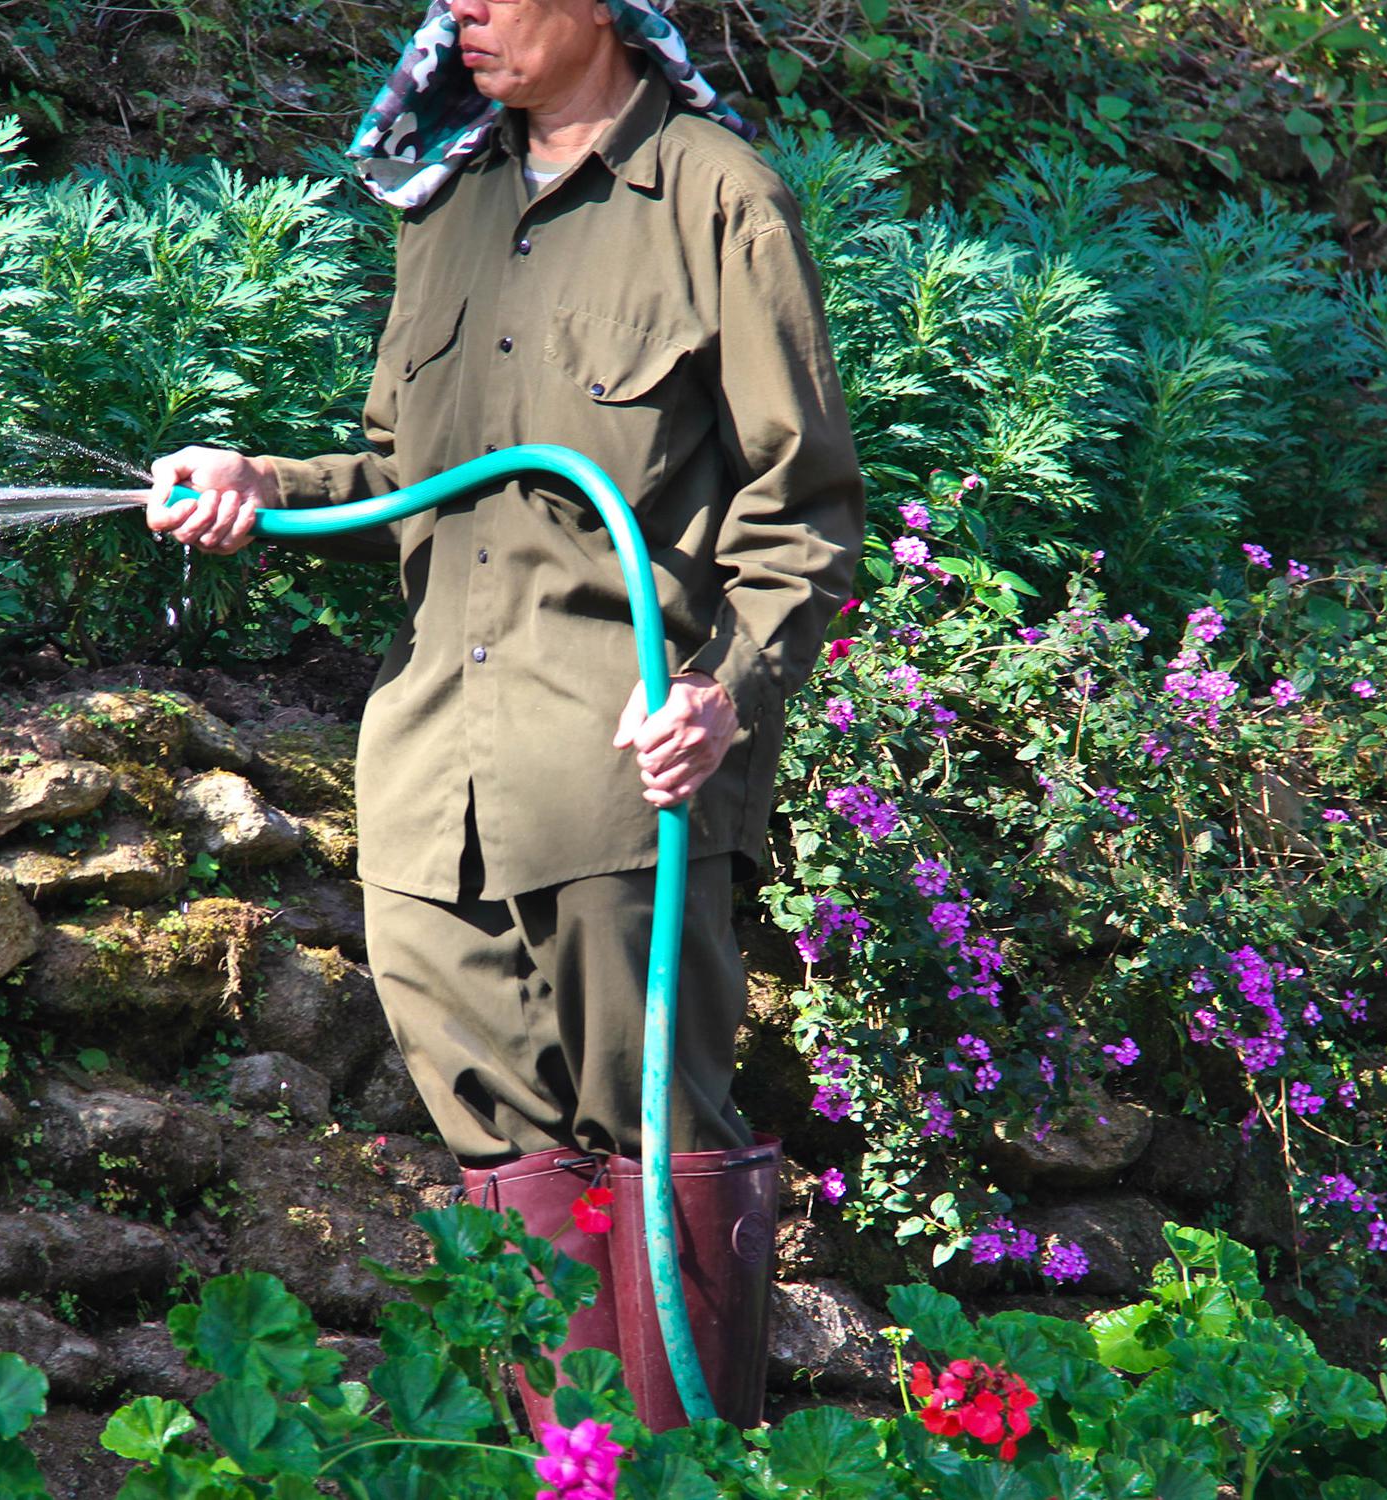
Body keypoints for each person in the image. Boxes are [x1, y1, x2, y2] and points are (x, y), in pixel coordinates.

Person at [146, 0, 863, 1433]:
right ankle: (567, 1465)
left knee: (657, 1142)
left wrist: (725, 703)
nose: (458, 15)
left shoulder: (721, 200)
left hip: (620, 777)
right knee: (504, 1161)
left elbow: (804, 518)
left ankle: (679, 1470)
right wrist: (254, 485)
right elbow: (407, 475)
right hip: (433, 786)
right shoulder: (456, 201)